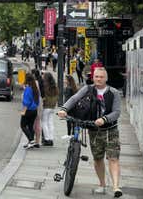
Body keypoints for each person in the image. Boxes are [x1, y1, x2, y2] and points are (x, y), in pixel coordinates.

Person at [58, 68, 122, 197]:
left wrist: (104, 119)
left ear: (106, 78)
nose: (98, 79)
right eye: (96, 76)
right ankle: (102, 185)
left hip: (110, 130)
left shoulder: (114, 93)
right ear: (93, 77)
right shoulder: (87, 89)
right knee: (98, 158)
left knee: (113, 158)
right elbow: (74, 99)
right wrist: (64, 109)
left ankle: (116, 187)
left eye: (101, 77)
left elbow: (116, 112)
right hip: (94, 130)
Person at [20, 73, 40, 149]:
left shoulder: (28, 89)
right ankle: (30, 142)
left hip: (28, 109)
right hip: (34, 110)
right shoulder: (35, 88)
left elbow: (26, 101)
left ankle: (31, 140)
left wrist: (23, 110)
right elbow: (37, 101)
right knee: (30, 126)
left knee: (23, 125)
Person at [41, 72, 59, 146]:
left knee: (44, 123)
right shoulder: (55, 87)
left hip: (46, 106)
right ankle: (51, 138)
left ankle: (47, 139)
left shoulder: (45, 87)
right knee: (50, 123)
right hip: (52, 107)